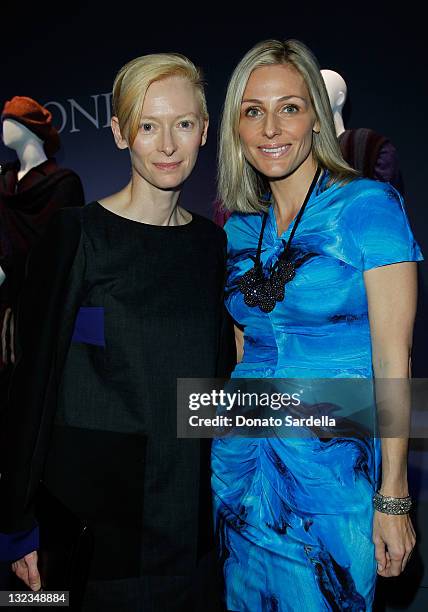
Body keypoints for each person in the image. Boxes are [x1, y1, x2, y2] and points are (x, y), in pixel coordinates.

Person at [0, 53, 232, 611]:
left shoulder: (212, 246)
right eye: (148, 125)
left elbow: (216, 383)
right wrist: (16, 520)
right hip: (96, 529)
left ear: (204, 129)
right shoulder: (74, 234)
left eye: (182, 124)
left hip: (195, 522)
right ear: (120, 131)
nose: (168, 145)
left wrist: (348, 414)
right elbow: (35, 382)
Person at [212, 39, 421, 611]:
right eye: (253, 110)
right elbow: (242, 354)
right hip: (240, 469)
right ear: (236, 125)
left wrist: (395, 496)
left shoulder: (367, 206)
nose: (271, 128)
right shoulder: (236, 228)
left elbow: (393, 362)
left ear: (318, 119)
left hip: (334, 471)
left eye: (290, 107)